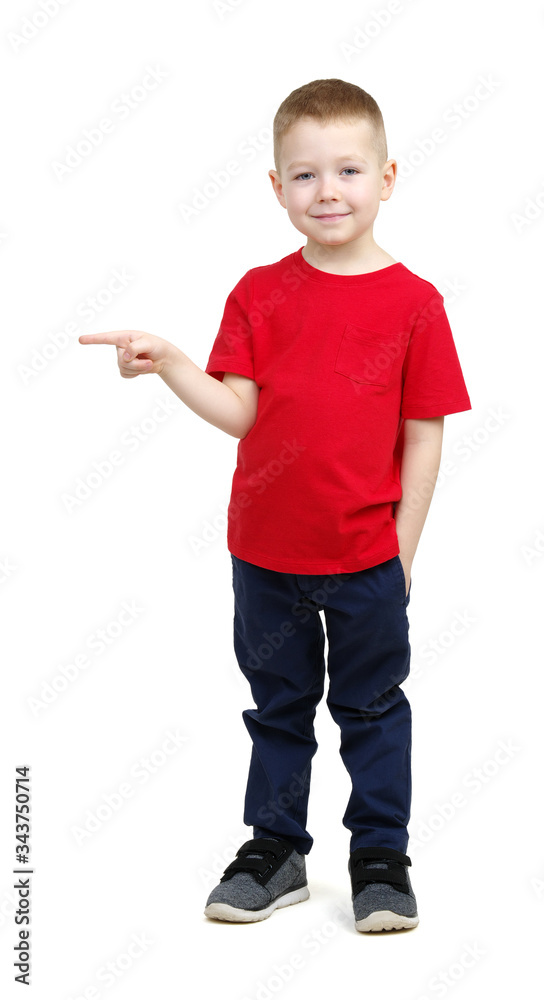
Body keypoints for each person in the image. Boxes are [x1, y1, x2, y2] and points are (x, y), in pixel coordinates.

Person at [79, 78, 471, 933]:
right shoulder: (259, 292)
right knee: (277, 706)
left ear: (388, 177)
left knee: (372, 707)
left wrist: (404, 552)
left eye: (348, 170)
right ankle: (277, 848)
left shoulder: (416, 304)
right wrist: (174, 362)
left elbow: (425, 438)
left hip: (367, 558)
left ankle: (380, 855)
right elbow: (240, 412)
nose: (327, 191)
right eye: (304, 175)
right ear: (275, 187)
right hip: (265, 555)